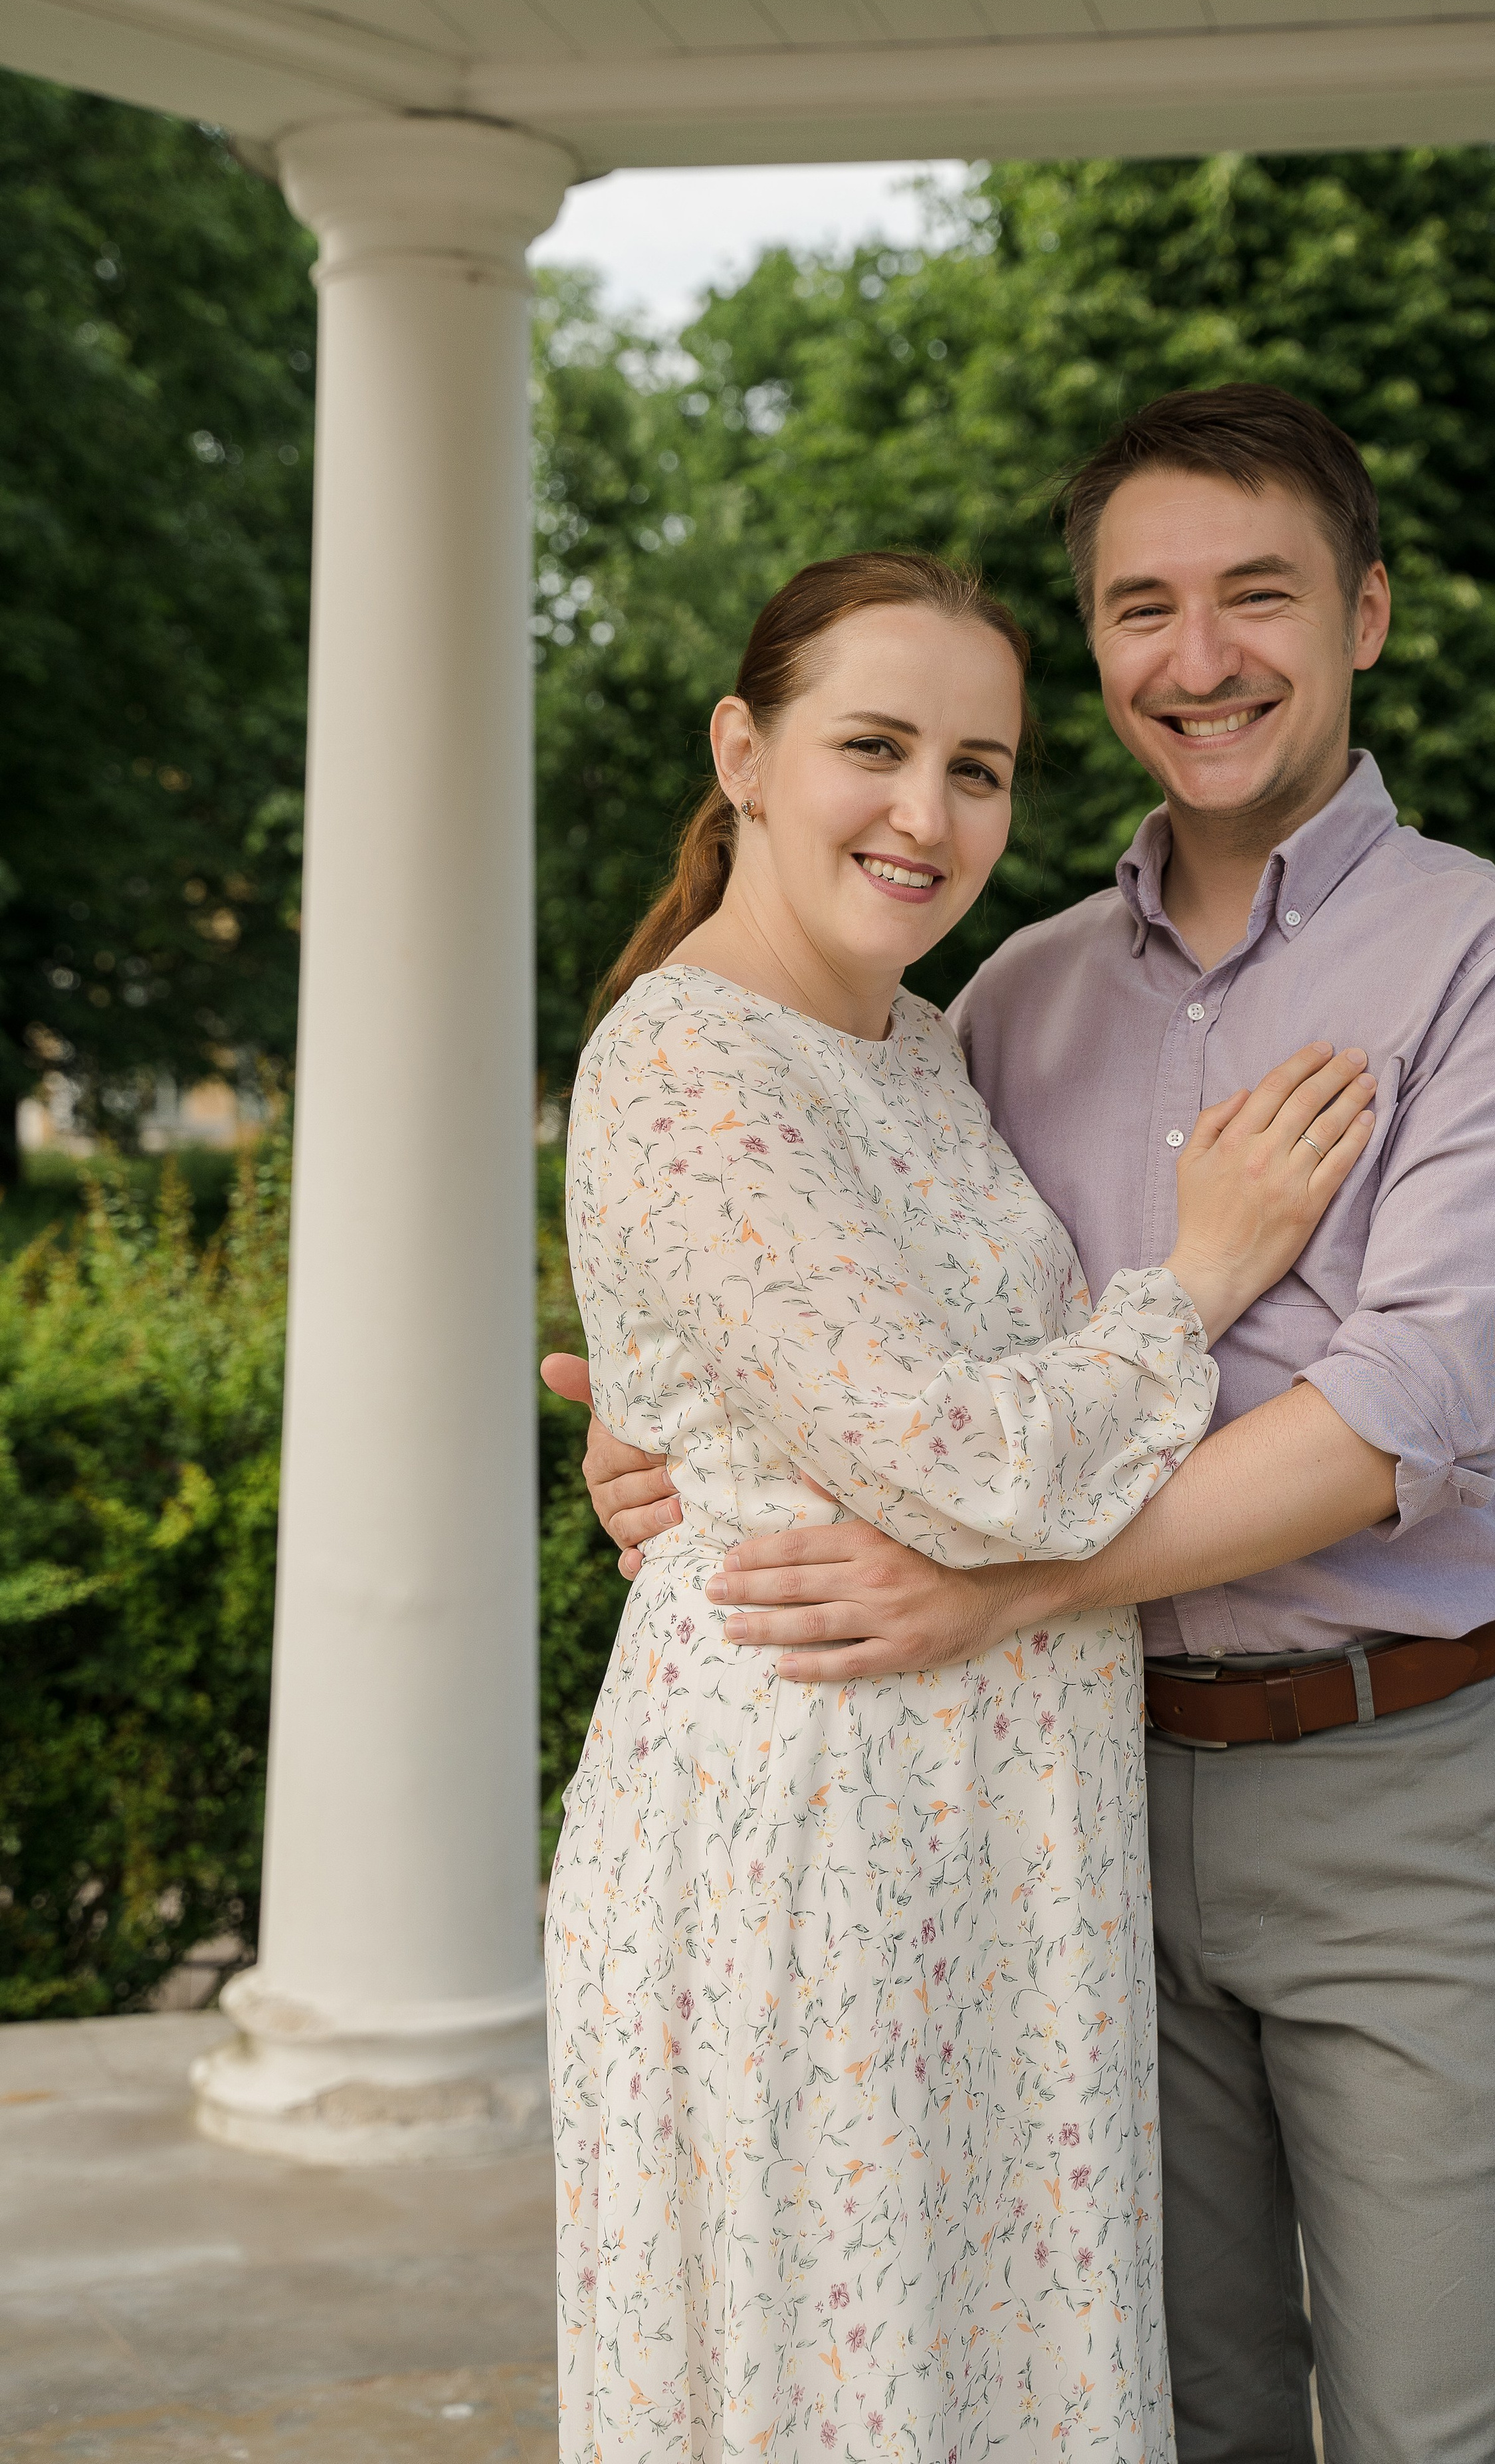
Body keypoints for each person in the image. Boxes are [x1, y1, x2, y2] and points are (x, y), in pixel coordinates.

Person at [565, 389, 1495, 2464]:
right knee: (1149, 2407)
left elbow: (1400, 1416)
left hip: (1387, 1788)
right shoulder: (1010, 996)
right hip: (1064, 1819)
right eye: (1143, 607)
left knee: (1460, 2423)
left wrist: (1001, 1583)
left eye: (1262, 593)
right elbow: (899, 1356)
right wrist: (686, 1452)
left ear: (1369, 616)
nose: (1202, 652)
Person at [545, 546, 1378, 2464]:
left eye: (983, 767)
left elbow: (882, 1391)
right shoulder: (683, 1055)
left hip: (992, 1834)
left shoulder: (922, 1043)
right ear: (742, 751)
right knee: (848, 2396)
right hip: (810, 1840)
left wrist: (660, 1417)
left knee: (992, 2375)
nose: (930, 815)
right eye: (876, 747)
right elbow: (966, 1459)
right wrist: (1202, 1277)